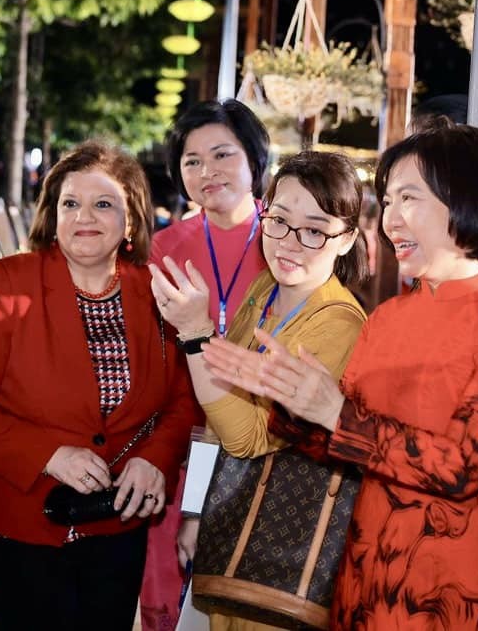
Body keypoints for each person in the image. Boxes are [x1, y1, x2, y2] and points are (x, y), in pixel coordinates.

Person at [204, 121, 478, 629]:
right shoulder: (388, 318)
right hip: (362, 585)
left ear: (469, 199)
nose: (389, 221)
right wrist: (289, 403)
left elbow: (460, 468)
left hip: (453, 593)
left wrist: (330, 412)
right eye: (386, 203)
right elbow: (348, 450)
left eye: (409, 198)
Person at [0, 141, 196, 630]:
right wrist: (50, 455)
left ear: (131, 220)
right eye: (70, 203)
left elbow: (180, 403)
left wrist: (155, 459)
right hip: (19, 527)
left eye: (103, 204)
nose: (84, 217)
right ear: (53, 215)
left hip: (117, 527)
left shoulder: (158, 294)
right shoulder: (10, 283)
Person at [150, 151, 369, 630]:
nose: (291, 243)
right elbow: (215, 412)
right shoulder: (264, 289)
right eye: (280, 222)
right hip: (230, 529)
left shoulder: (338, 323)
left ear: (347, 237)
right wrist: (193, 511)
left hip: (280, 553)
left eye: (315, 230)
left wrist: (195, 334)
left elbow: (247, 438)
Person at [142, 99, 271, 631]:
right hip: (181, 444)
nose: (206, 171)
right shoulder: (165, 247)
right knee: (168, 593)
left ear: (254, 160)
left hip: (257, 448)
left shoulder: (286, 240)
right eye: (191, 161)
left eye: (222, 154)